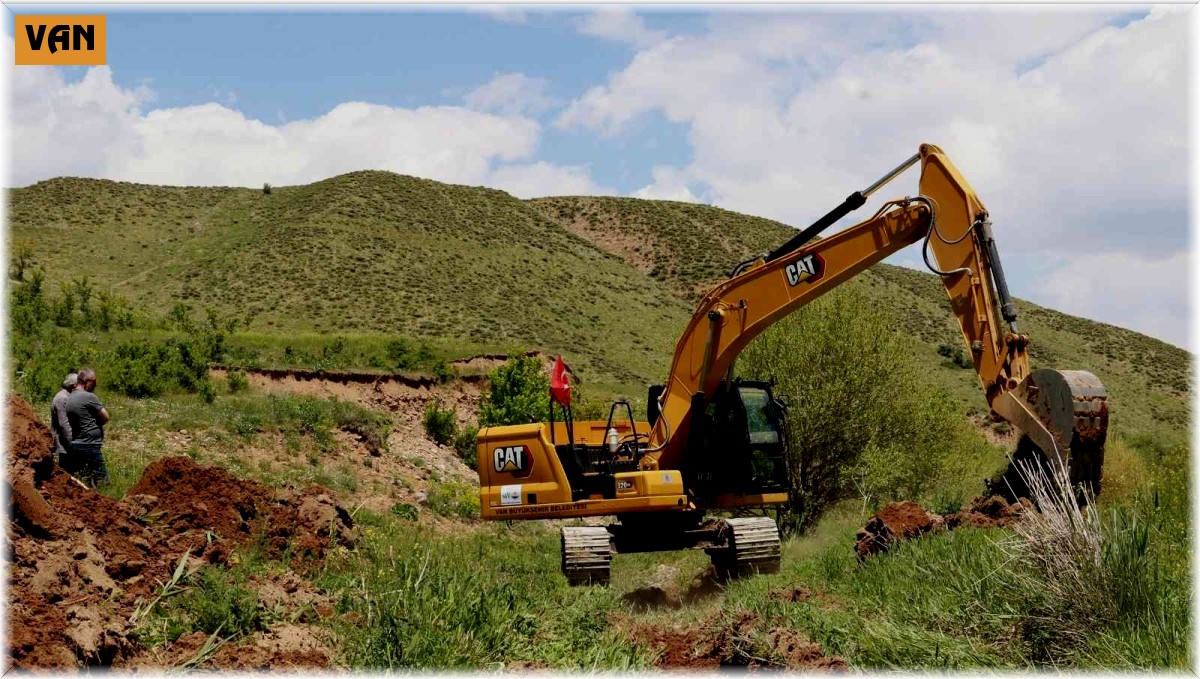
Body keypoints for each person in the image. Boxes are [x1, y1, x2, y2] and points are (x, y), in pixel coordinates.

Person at [66, 367, 110, 487]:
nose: (95, 385)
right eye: (94, 382)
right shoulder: (89, 397)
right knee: (102, 481)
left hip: (76, 444)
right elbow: (106, 417)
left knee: (83, 481)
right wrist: (96, 426)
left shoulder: (70, 397)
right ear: (86, 381)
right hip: (89, 445)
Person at [50, 372, 79, 467]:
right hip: (64, 443)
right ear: (73, 386)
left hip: (66, 442)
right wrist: (72, 443)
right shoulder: (62, 398)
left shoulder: (65, 396)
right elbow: (64, 424)